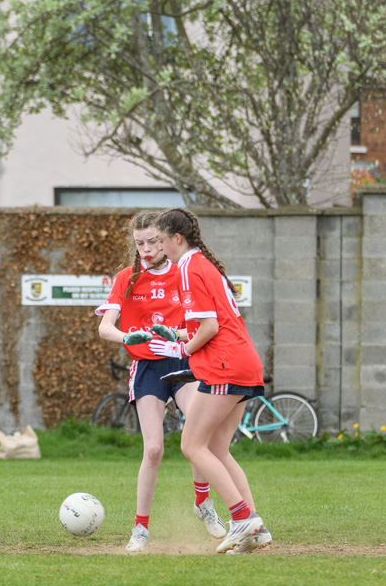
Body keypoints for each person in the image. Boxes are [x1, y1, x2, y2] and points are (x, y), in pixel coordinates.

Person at [96, 211, 226, 552]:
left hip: (183, 362)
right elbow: (104, 327)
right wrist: (128, 337)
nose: (147, 249)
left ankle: (203, 503)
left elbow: (202, 324)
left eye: (153, 241)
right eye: (140, 243)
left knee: (199, 435)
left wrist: (178, 335)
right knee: (153, 449)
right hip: (147, 369)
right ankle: (140, 529)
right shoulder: (127, 277)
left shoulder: (184, 272)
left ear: (167, 238)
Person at [153, 207, 271, 555]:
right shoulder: (201, 263)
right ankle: (256, 528)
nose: (159, 248)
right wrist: (177, 338)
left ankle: (241, 521)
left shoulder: (189, 266)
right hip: (242, 363)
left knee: (191, 445)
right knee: (217, 449)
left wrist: (182, 350)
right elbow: (209, 324)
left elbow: (209, 329)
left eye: (161, 241)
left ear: (177, 238)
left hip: (226, 366)